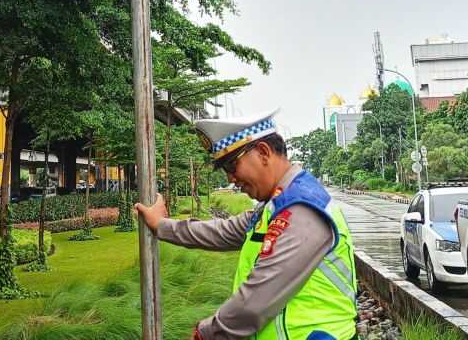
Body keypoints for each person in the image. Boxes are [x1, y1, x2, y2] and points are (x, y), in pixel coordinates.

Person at [135, 108, 357, 340]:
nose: (230, 178)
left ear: (263, 152)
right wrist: (162, 225)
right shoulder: (276, 205)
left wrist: (207, 333)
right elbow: (223, 231)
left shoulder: (302, 208)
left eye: (232, 166)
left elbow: (257, 299)